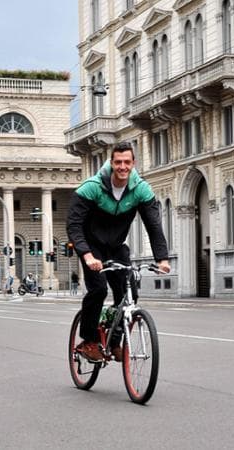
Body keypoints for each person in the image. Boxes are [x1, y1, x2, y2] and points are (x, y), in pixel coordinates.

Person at [67, 141, 170, 362]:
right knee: (99, 290)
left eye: (127, 162)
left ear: (133, 163)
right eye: (118, 162)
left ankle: (115, 342)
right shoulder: (93, 186)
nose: (123, 166)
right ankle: (89, 340)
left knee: (128, 295)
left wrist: (162, 259)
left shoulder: (140, 189)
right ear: (111, 163)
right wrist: (86, 255)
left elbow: (154, 225)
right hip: (91, 245)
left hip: (116, 246)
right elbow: (73, 225)